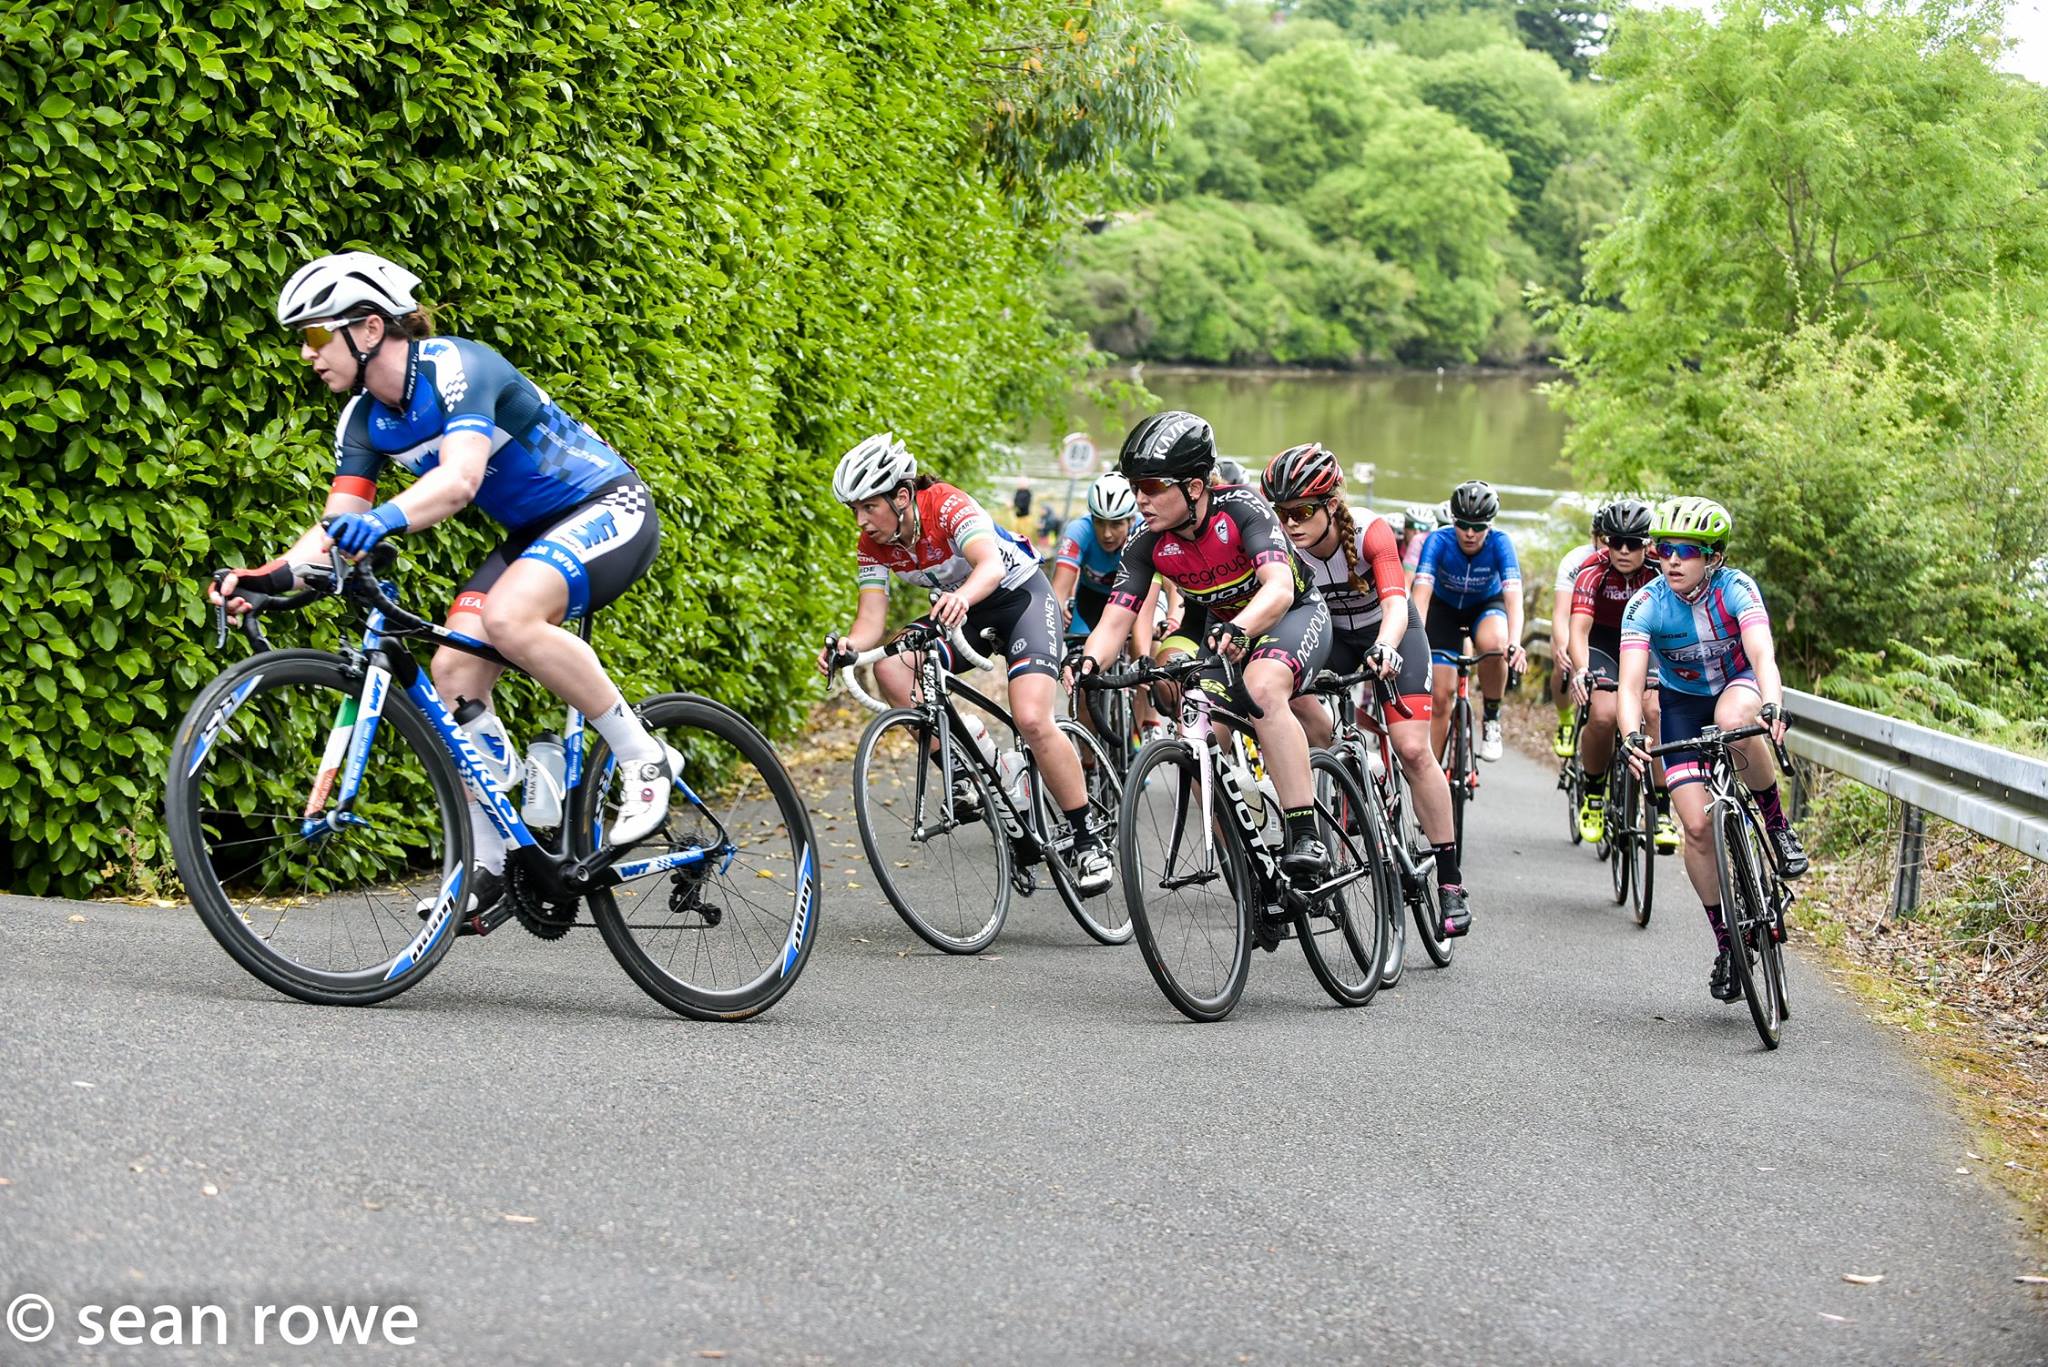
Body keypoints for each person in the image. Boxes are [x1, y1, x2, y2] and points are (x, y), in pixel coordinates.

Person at [209, 251, 671, 924]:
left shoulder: (458, 366)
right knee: (452, 668)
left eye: (313, 335)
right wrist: (270, 576)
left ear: (368, 328)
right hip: (532, 534)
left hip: (606, 504)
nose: (306, 354)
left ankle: (646, 758)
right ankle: (489, 863)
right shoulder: (362, 420)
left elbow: (458, 482)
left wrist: (383, 518)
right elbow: (336, 530)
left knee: (511, 617)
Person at [816, 433, 1113, 894]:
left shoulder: (947, 506)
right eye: (853, 510)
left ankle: (1085, 835)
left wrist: (961, 597)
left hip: (1020, 600)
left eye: (868, 506)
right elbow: (870, 621)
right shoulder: (873, 544)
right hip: (960, 610)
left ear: (901, 495)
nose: (861, 520)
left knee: (1032, 718)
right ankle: (974, 763)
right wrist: (846, 648)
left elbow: (990, 566)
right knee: (890, 667)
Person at [1072, 412, 1333, 884]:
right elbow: (1116, 619)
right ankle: (1248, 865)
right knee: (1194, 725)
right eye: (1135, 487)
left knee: (1263, 688)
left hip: (1292, 613)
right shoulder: (1146, 540)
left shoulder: (1242, 511)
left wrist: (1241, 628)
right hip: (1222, 626)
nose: (1140, 500)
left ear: (1194, 487)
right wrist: (1088, 660)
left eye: (1152, 486)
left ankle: (1305, 833)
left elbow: (1277, 589)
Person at [1263, 446, 1474, 936]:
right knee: (1282, 689)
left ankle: (1450, 882)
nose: (1289, 523)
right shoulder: (1282, 546)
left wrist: (1384, 647)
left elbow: (1397, 606)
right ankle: (1340, 765)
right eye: (1281, 513)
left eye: (1301, 512)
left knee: (1413, 749)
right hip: (1331, 639)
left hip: (1392, 633)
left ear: (1332, 505)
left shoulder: (1371, 531)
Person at [1618, 496, 1809, 1004]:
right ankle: (1728, 943)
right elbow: (1631, 685)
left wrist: (1771, 705)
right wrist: (1632, 734)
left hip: (1736, 685)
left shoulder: (1736, 589)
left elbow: (1763, 655)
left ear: (1714, 557)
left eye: (1687, 550)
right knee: (1698, 828)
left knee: (1733, 719)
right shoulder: (1647, 604)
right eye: (1664, 549)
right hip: (1681, 704)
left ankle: (1776, 826)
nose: (1673, 559)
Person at [1563, 498, 1666, 846]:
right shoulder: (1592, 570)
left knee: (1653, 711)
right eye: (1614, 541)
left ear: (1647, 544)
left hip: (1646, 643)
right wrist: (1581, 670)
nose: (1623, 550)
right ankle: (1593, 792)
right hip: (1603, 644)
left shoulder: (1659, 568)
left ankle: (1663, 809)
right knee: (1604, 715)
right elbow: (1578, 629)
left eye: (1633, 543)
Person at [1409, 480, 1527, 764]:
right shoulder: (1438, 540)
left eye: (1479, 526)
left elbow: (1514, 599)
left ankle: (1491, 716)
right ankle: (1432, 774)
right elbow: (1421, 596)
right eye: (1463, 524)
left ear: (1491, 524)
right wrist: (1414, 641)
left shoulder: (1501, 543)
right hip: (1444, 609)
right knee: (1440, 697)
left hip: (1485, 605)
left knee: (1494, 643)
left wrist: (1515, 641)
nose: (1470, 533)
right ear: (1453, 521)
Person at [1051, 473, 1173, 740]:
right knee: (1083, 678)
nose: (1107, 533)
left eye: (1116, 524)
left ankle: (1145, 726)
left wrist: (1172, 616)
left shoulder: (1148, 530)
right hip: (1092, 604)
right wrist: (1057, 614)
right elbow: (1059, 590)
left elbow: (1170, 584)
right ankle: (1090, 759)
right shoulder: (1078, 531)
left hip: (1140, 600)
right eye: (1100, 523)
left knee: (1148, 650)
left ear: (1131, 519)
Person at [1550, 502, 1608, 758]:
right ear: (1593, 537)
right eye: (1604, 539)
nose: (1611, 547)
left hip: (1609, 631)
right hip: (1577, 622)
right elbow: (1562, 614)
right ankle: (1565, 720)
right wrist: (1563, 646)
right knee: (1563, 664)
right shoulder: (1576, 560)